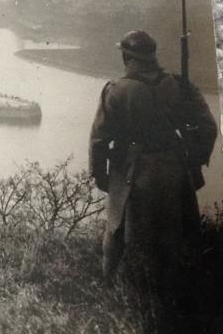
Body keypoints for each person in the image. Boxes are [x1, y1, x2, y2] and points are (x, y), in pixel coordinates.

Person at [89, 30, 217, 296]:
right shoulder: (180, 85)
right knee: (178, 236)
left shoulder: (116, 90)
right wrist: (193, 161)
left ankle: (112, 289)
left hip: (132, 174)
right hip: (176, 171)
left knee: (118, 231)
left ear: (127, 57)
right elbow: (207, 128)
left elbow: (99, 140)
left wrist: (100, 176)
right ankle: (181, 295)